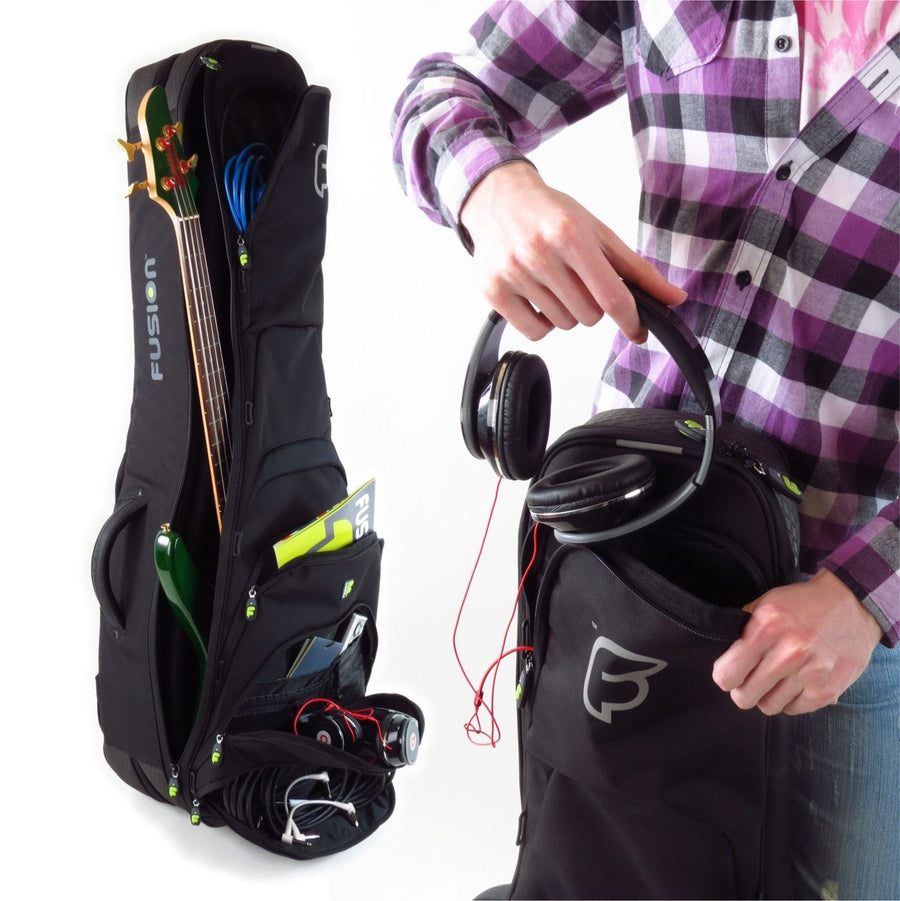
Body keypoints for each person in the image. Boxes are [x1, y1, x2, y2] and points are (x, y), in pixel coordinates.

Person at [391, 2, 899, 898]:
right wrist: (495, 192)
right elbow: (439, 94)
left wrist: (869, 594)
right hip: (623, 560)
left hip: (844, 632)